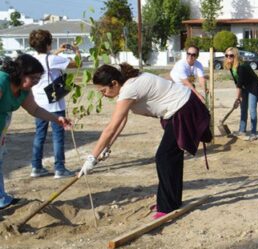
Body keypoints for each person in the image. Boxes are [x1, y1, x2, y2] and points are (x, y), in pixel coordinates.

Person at [78, 63, 211, 219]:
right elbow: (121, 122)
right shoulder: (127, 86)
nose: (103, 94)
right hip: (180, 109)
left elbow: (111, 127)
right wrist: (106, 147)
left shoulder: (129, 88)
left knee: (164, 156)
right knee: (169, 156)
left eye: (104, 90)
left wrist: (91, 158)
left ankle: (168, 205)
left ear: (114, 83)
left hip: (184, 108)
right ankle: (169, 201)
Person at [0, 55, 73, 208]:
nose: (36, 82)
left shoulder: (24, 90)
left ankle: (1, 199)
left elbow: (34, 109)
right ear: (20, 73)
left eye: (38, 79)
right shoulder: (2, 82)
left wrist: (56, 119)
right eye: (33, 78)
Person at [28, 29, 80, 179]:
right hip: (55, 104)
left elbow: (47, 59)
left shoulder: (33, 59)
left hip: (38, 104)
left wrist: (56, 51)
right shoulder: (53, 60)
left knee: (40, 135)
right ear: (48, 44)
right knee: (58, 136)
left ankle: (36, 167)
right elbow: (77, 64)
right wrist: (76, 51)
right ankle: (60, 168)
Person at [223, 47, 258, 141]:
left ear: (236, 56)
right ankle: (242, 130)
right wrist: (239, 97)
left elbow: (239, 84)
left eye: (231, 55)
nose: (229, 57)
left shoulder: (241, 66)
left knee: (252, 110)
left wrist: (237, 98)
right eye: (227, 55)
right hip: (244, 87)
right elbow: (237, 82)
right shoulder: (231, 66)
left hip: (253, 87)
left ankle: (253, 133)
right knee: (243, 108)